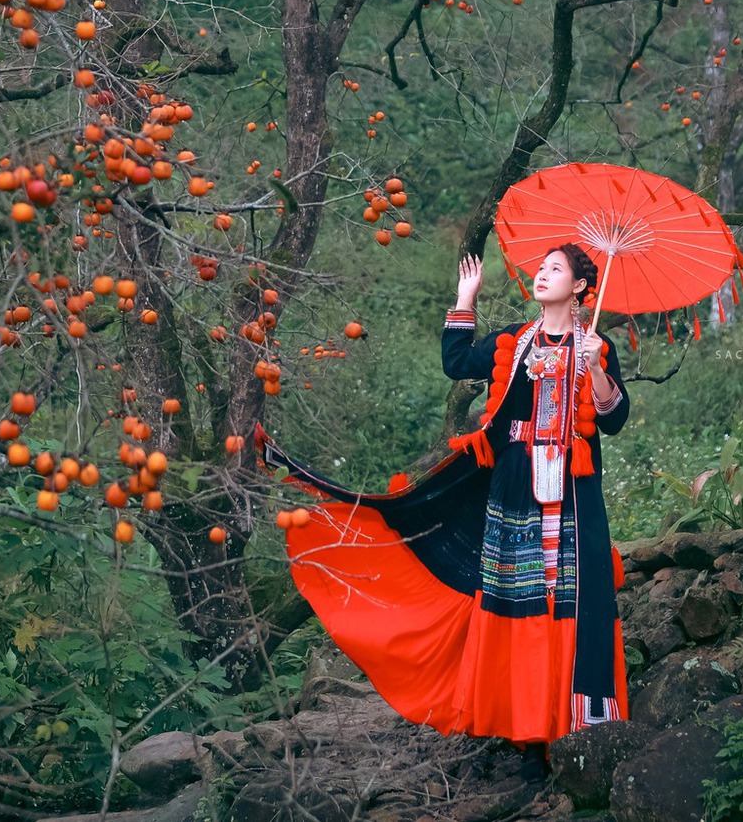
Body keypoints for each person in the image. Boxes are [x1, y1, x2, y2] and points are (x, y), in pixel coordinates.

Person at [256, 243, 632, 744]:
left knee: (570, 596)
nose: (541, 275)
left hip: (574, 493)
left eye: (555, 270)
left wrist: (597, 370)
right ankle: (523, 721)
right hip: (514, 488)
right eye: (540, 268)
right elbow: (456, 362)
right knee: (517, 596)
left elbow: (616, 420)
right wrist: (465, 297)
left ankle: (577, 724)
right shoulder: (513, 341)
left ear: (580, 287)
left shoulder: (596, 346)